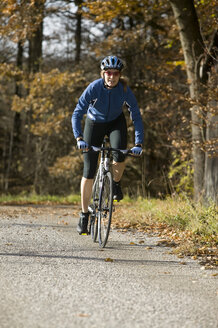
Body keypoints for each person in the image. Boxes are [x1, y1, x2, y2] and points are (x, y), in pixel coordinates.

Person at [72, 55, 144, 234]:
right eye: (108, 73)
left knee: (119, 154)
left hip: (115, 122)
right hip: (94, 123)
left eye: (116, 73)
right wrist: (79, 138)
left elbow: (135, 114)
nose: (112, 77)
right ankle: (84, 215)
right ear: (103, 73)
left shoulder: (124, 89)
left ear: (120, 75)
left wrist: (139, 142)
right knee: (88, 171)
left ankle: (116, 184)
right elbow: (77, 113)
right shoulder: (94, 88)